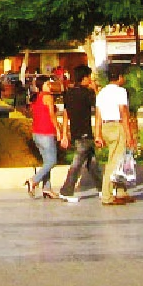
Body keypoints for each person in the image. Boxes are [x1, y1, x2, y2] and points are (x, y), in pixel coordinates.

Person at [58, 65, 101, 202]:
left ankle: (102, 189)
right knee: (77, 163)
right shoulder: (87, 94)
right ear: (84, 78)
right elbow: (100, 106)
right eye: (89, 77)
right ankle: (66, 190)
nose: (90, 80)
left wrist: (65, 133)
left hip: (76, 132)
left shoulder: (69, 93)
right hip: (84, 133)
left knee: (92, 163)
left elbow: (66, 114)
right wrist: (95, 90)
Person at [96, 67, 135, 206]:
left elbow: (98, 115)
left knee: (120, 159)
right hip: (117, 127)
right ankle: (107, 196)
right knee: (114, 162)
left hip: (106, 127)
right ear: (119, 77)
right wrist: (129, 134)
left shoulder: (102, 92)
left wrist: (98, 134)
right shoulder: (120, 91)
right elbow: (123, 112)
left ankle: (121, 192)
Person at [26, 77, 61, 199]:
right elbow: (52, 115)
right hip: (46, 132)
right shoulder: (48, 97)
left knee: (47, 162)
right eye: (47, 84)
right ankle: (33, 181)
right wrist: (58, 129)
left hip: (36, 133)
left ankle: (47, 189)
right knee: (52, 161)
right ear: (42, 85)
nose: (49, 86)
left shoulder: (36, 97)